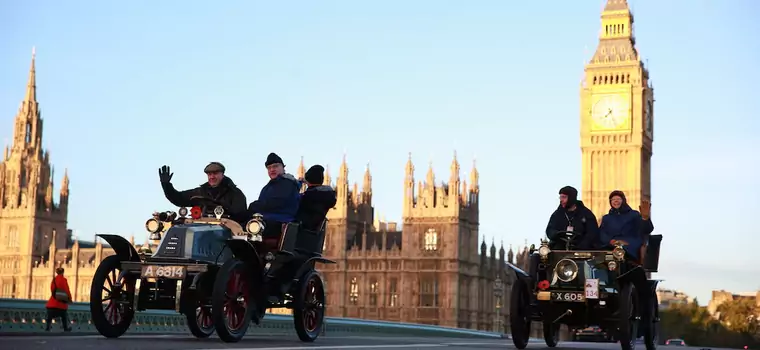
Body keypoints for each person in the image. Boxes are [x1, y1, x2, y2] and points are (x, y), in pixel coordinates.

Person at [246, 153, 302, 241]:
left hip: (281, 221)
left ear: (283, 167)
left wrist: (254, 206)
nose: (272, 170)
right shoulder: (268, 187)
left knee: (250, 226)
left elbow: (277, 203)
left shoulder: (288, 183)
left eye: (275, 166)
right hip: (267, 219)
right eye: (269, 168)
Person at [157, 162, 247, 217]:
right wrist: (166, 185)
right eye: (209, 174)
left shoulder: (235, 194)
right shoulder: (200, 192)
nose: (212, 177)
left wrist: (223, 209)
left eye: (215, 173)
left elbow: (241, 215)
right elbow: (178, 198)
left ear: (222, 174)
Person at [598, 190, 654, 264]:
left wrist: (645, 219)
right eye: (613, 200)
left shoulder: (634, 215)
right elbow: (602, 233)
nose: (616, 201)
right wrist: (611, 241)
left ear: (623, 200)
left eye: (618, 199)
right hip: (611, 244)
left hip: (630, 244)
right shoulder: (606, 218)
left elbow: (646, 230)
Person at [545, 186, 600, 250]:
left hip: (581, 249)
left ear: (571, 198)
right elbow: (550, 230)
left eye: (564, 197)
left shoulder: (586, 214)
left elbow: (592, 233)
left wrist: (582, 245)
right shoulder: (557, 214)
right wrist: (557, 234)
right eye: (560, 197)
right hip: (560, 248)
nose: (561, 200)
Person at [295, 165, 337, 231]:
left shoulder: (308, 196)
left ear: (308, 181)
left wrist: (297, 184)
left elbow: (293, 201)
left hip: (302, 230)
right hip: (313, 233)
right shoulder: (327, 195)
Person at [45, 267, 72, 332]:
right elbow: (67, 290)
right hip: (61, 302)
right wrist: (69, 298)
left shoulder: (54, 280)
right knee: (64, 315)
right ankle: (65, 328)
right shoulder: (64, 280)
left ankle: (47, 327)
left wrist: (55, 295)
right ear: (63, 272)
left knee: (50, 316)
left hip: (53, 302)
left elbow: (52, 288)